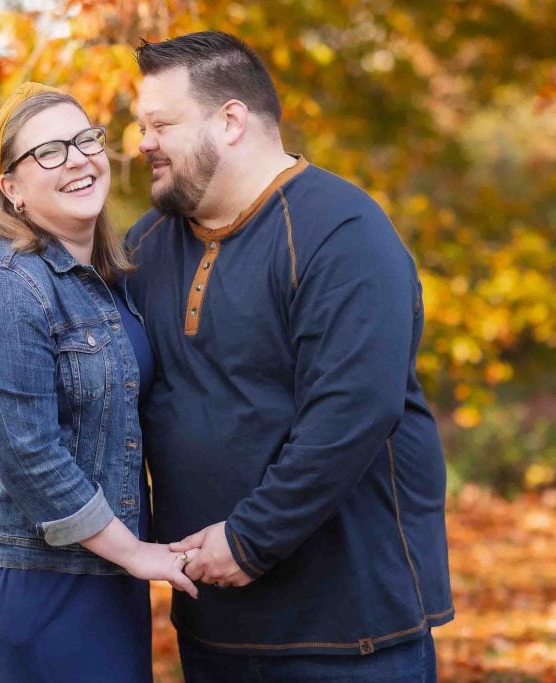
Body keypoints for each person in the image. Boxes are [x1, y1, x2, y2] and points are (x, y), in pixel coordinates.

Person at [125, 31, 454, 681]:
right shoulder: (149, 243)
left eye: (160, 123)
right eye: (140, 125)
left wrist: (251, 539)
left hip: (348, 635)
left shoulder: (342, 231)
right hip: (213, 625)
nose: (142, 143)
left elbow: (354, 410)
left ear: (231, 120)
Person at [0, 82, 197, 683]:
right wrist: (138, 552)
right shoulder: (4, 287)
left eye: (84, 139)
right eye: (48, 151)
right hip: (6, 565)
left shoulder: (103, 279)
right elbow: (31, 456)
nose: (77, 158)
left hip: (97, 558)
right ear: (10, 188)